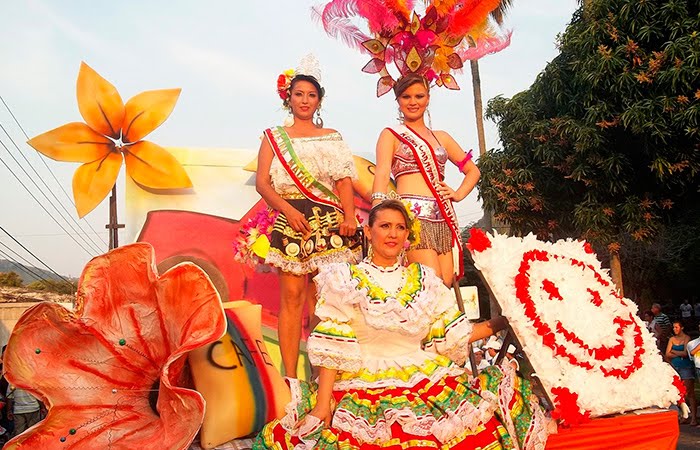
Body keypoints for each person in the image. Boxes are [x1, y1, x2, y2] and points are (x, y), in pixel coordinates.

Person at [253, 199, 551, 449]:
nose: (392, 234)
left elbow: (455, 334)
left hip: (424, 377)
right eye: (384, 226)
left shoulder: (425, 281)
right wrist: (322, 405)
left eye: (399, 227)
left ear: (407, 234)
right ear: (368, 233)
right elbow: (334, 345)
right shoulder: (345, 279)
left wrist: (504, 319)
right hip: (363, 381)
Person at [256, 55, 361, 378]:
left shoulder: (332, 136)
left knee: (325, 299)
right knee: (291, 297)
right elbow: (263, 182)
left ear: (320, 100)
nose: (305, 100)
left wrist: (350, 216)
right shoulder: (273, 137)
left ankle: (322, 375)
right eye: (299, 94)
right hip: (291, 218)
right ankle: (291, 378)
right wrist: (287, 210)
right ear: (288, 98)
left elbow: (343, 181)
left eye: (311, 95)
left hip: (329, 222)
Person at [371, 73, 480, 286]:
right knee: (431, 282)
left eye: (419, 96)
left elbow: (473, 171)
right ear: (398, 100)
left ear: (428, 98)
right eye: (406, 97)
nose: (413, 102)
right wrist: (377, 214)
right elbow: (382, 173)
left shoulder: (442, 137)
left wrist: (457, 194)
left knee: (446, 282)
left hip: (442, 217)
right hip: (412, 217)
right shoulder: (392, 134)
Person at [666, 320, 697, 426]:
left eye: (677, 327)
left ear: (682, 328)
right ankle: (683, 415)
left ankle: (693, 416)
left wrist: (673, 351)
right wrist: (676, 354)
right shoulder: (672, 339)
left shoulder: (686, 338)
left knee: (689, 392)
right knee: (678, 392)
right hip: (675, 366)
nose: (675, 329)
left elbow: (685, 353)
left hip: (686, 367)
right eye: (674, 327)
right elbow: (667, 353)